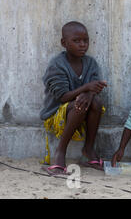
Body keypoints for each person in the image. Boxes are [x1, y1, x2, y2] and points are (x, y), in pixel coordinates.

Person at [40, 21, 107, 175]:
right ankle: (60, 152)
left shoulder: (90, 63)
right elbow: (63, 97)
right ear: (64, 43)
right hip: (57, 115)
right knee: (80, 103)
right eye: (76, 41)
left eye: (85, 40)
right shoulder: (57, 65)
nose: (82, 45)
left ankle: (88, 150)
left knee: (95, 101)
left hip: (81, 111)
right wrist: (86, 88)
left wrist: (90, 92)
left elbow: (94, 89)